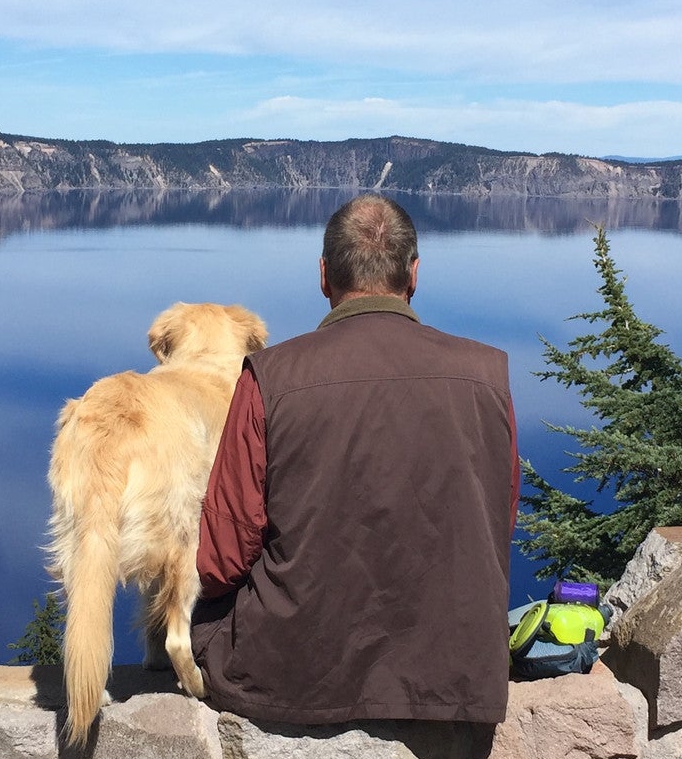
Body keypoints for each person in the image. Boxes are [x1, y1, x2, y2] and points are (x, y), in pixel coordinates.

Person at [191, 194, 519, 724]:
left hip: (289, 674)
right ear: (414, 274)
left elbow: (220, 558)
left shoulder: (269, 377)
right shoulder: (487, 375)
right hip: (455, 673)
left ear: (324, 276)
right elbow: (498, 519)